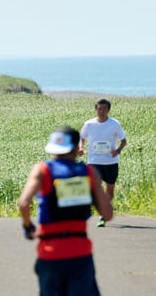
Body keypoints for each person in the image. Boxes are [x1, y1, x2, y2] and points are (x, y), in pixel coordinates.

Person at [18, 126, 113, 296]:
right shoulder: (89, 172)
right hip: (80, 252)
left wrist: (28, 226)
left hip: (50, 252)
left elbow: (24, 203)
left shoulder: (43, 171)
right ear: (77, 148)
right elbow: (107, 214)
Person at [78, 98, 127, 228]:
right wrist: (81, 148)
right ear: (96, 109)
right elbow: (82, 137)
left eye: (104, 109)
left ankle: (103, 210)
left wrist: (118, 151)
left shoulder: (114, 124)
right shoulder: (89, 124)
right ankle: (102, 213)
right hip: (94, 161)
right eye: (99, 109)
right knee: (95, 188)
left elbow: (124, 141)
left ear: (108, 110)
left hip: (111, 162)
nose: (101, 111)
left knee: (110, 190)